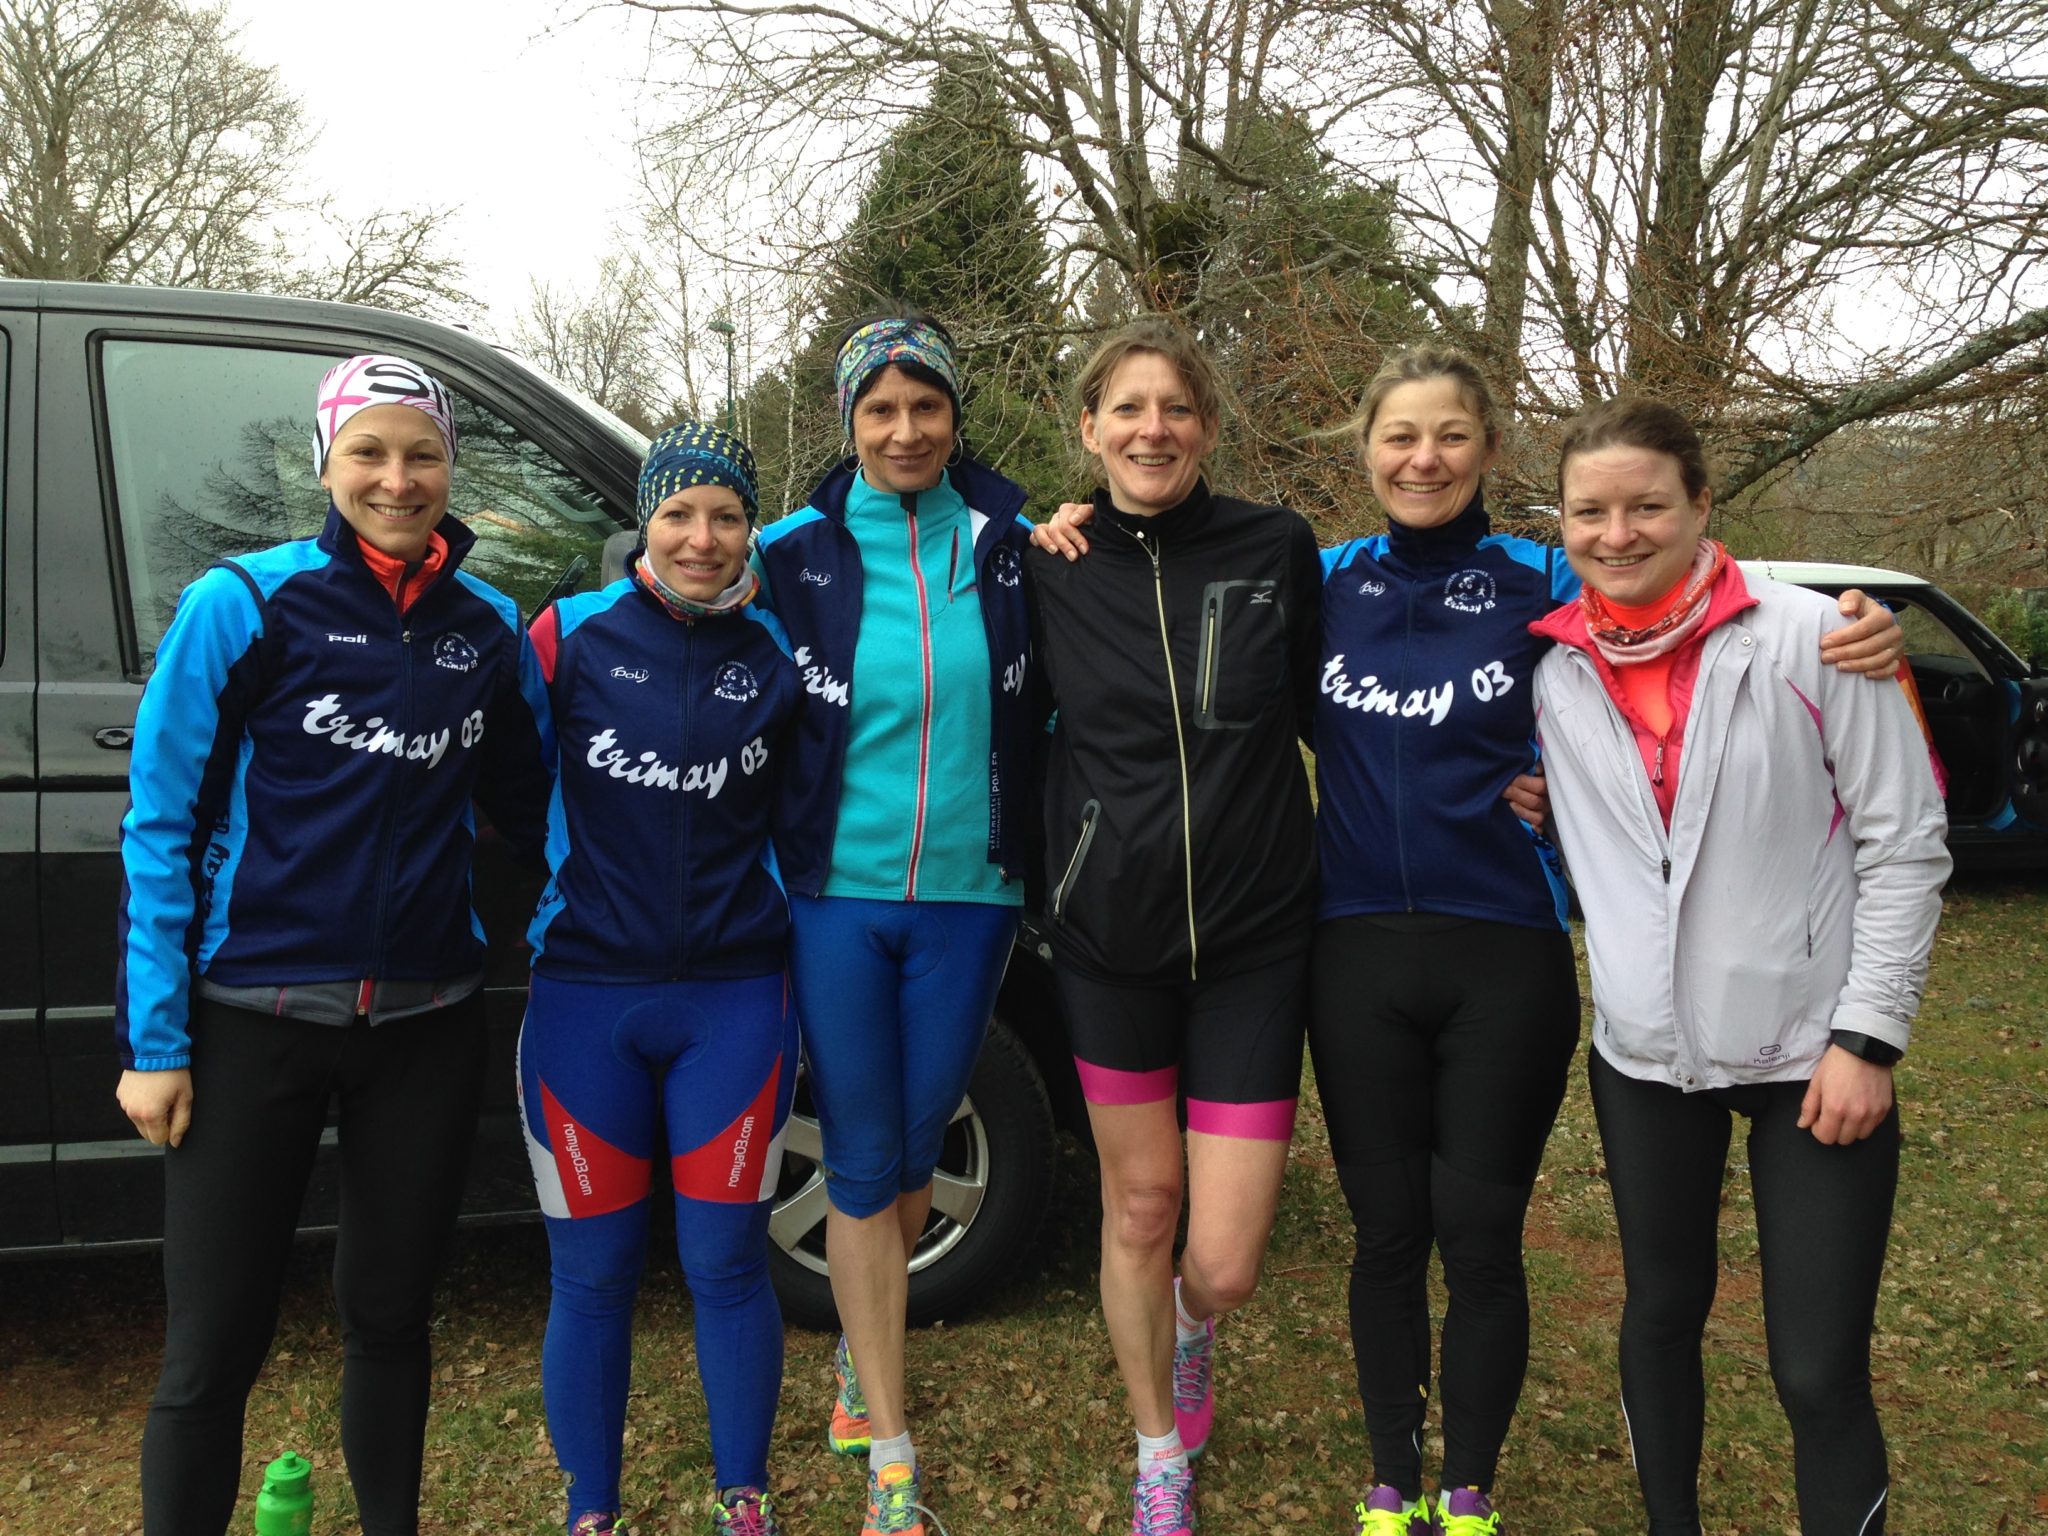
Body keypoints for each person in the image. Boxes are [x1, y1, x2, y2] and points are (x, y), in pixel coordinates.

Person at [1034, 345, 1905, 1536]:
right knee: (1386, 1235)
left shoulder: (1545, 577)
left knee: (1482, 1237)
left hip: (1504, 951)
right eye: (1398, 436)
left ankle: (1468, 1485)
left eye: (1449, 434)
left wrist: (1843, 622)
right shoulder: (1316, 574)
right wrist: (1058, 521)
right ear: (1364, 451)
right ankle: (1388, 1479)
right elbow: (1197, 636)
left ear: (1489, 447)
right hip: (1350, 948)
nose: (1423, 458)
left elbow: (1669, 586)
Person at [115, 354, 553, 1536]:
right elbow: (160, 825)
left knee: (391, 1320)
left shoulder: (486, 627)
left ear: (451, 468)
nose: (396, 480)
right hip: (249, 1023)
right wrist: (154, 1040)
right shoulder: (242, 605)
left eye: (422, 455)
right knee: (213, 1344)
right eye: (369, 452)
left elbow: (539, 809)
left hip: (425, 1027)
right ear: (324, 462)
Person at [1531, 397, 1948, 1536]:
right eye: (1588, 512)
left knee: (1815, 1368)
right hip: (1643, 1054)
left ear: (1702, 504)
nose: (1617, 533)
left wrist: (1868, 1038)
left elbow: (1905, 841)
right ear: (1560, 522)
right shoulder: (1555, 668)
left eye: (1646, 506)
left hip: (1813, 1056)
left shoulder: (1819, 637)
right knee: (1661, 1314)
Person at [1025, 317, 1325, 1536]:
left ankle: (1194, 1324)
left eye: (1176, 408)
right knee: (1140, 1208)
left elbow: (1335, 708)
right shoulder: (1044, 562)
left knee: (1225, 1259)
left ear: (1205, 426)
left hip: (1254, 939)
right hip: (1109, 942)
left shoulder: (1274, 546)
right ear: (1089, 428)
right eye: (1127, 409)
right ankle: (1157, 1448)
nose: (1152, 430)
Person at [751, 312, 1035, 1536]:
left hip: (972, 898)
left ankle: (855, 1349)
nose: (905, 430)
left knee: (914, 1162)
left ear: (954, 417)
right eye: (880, 409)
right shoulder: (787, 554)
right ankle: (890, 1453)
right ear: (848, 420)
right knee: (863, 1163)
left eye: (926, 407)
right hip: (836, 897)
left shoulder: (1014, 547)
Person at [517, 423, 800, 1536]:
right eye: (678, 513)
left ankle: (744, 1503)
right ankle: (593, 1512)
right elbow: (495, 776)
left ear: (749, 530)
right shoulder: (567, 637)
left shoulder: (777, 651)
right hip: (585, 997)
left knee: (726, 1264)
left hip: (734, 998)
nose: (700, 538)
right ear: (644, 522)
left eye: (726, 516)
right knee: (590, 1276)